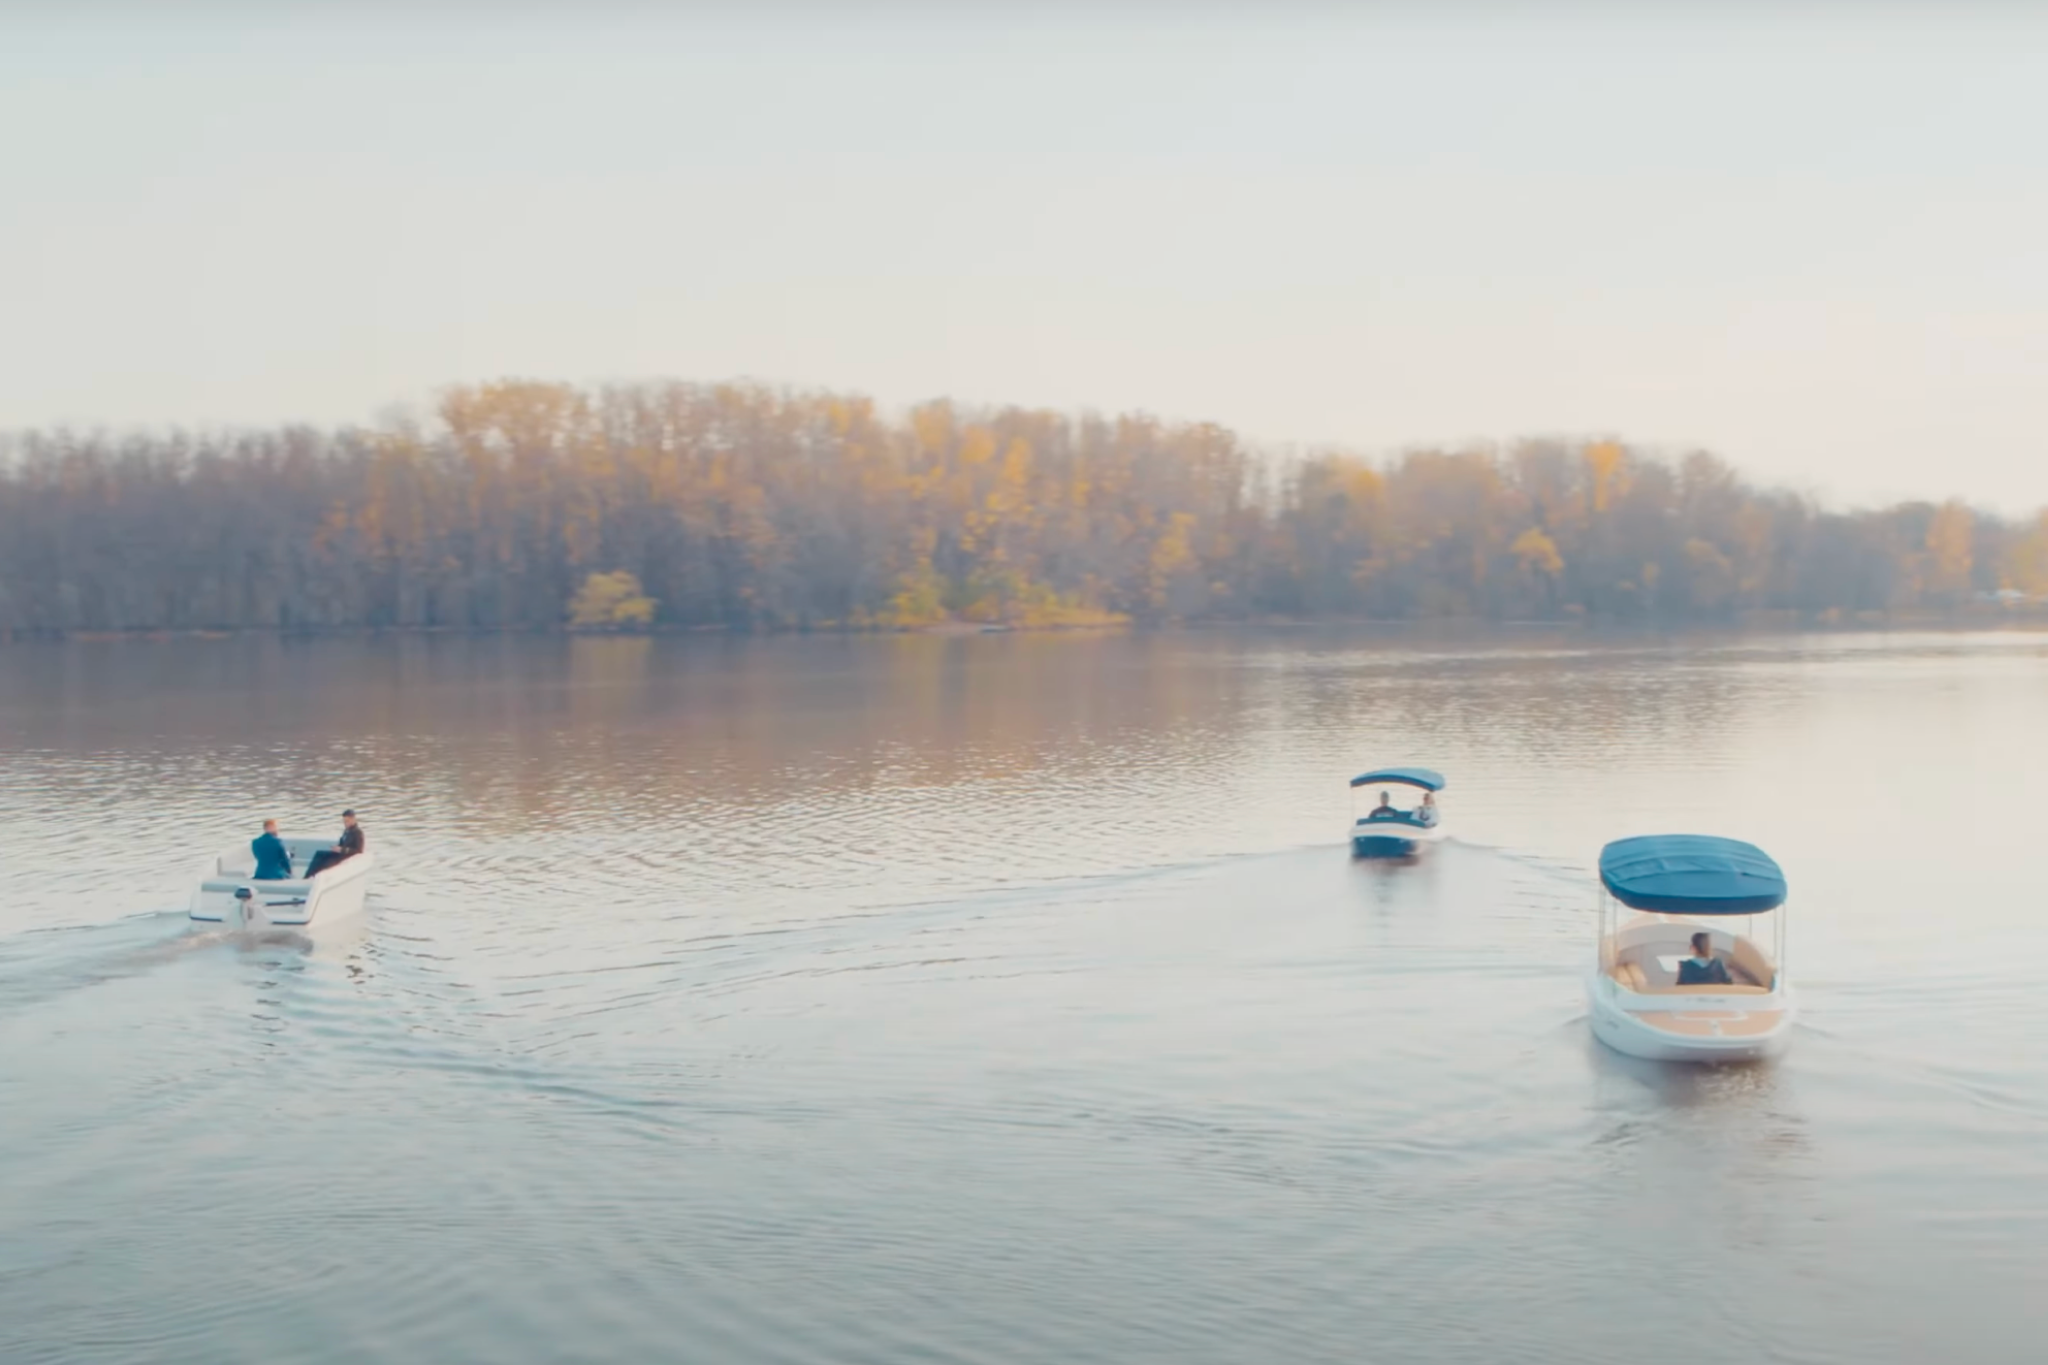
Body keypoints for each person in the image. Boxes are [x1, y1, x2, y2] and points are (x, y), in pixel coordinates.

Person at [305, 810, 366, 878]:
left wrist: (343, 850)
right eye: (344, 821)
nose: (345, 823)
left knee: (327, 862)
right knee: (319, 854)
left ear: (353, 819)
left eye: (347, 821)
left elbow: (359, 850)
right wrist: (337, 848)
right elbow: (342, 843)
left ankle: (316, 876)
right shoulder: (347, 831)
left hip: (346, 855)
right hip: (339, 852)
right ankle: (308, 875)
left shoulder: (358, 833)